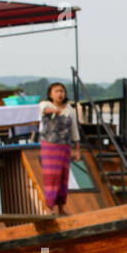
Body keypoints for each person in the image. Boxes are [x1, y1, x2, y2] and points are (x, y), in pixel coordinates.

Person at [38, 82, 81, 214]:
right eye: (56, 91)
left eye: (61, 91)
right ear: (50, 94)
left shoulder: (69, 109)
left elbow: (74, 131)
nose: (59, 94)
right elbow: (43, 109)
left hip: (64, 146)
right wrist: (53, 111)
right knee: (51, 176)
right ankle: (49, 207)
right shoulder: (45, 104)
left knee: (63, 176)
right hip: (50, 146)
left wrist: (77, 149)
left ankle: (61, 208)